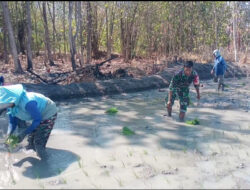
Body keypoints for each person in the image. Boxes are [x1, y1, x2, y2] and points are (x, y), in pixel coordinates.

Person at [0, 84, 57, 160]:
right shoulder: (11, 106)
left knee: (39, 144)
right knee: (30, 142)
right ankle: (33, 155)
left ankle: (45, 164)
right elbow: (12, 123)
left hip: (48, 113)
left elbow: (37, 120)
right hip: (37, 116)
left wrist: (24, 133)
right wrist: (9, 135)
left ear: (12, 99)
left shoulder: (28, 102)